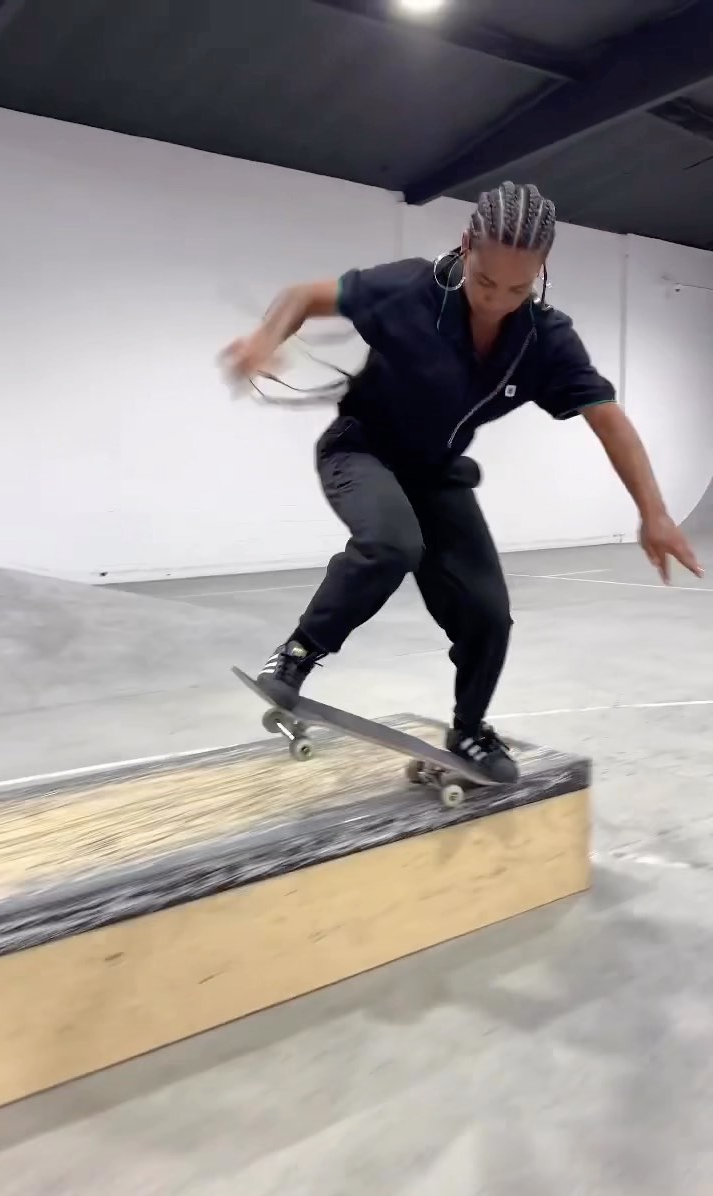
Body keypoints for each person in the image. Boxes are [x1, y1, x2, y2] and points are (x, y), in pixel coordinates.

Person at [221, 181, 702, 785]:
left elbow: (610, 421)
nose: (497, 302)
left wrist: (654, 512)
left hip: (438, 476)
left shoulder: (545, 340)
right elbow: (304, 296)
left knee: (488, 614)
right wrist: (264, 340)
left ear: (542, 269)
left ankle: (469, 729)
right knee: (392, 544)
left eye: (519, 289)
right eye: (485, 282)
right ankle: (297, 654)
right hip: (362, 450)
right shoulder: (408, 289)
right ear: (466, 246)